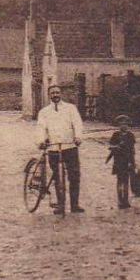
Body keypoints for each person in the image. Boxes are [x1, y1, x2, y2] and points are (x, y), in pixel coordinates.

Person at [34, 83, 85, 214]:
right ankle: (61, 205)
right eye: (52, 93)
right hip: (54, 148)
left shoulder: (71, 108)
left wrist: (78, 137)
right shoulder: (44, 112)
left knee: (74, 175)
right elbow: (41, 128)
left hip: (70, 146)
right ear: (49, 95)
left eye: (57, 92)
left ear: (61, 94)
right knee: (57, 177)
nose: (55, 95)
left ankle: (75, 205)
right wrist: (41, 141)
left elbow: (78, 124)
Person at [105, 114, 137, 210]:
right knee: (119, 181)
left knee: (126, 181)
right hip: (118, 161)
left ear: (128, 125)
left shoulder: (131, 135)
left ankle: (126, 200)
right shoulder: (115, 135)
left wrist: (133, 162)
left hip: (127, 160)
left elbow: (132, 149)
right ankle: (120, 200)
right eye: (122, 124)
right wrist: (117, 146)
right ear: (118, 125)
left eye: (126, 124)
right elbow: (110, 146)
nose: (124, 126)